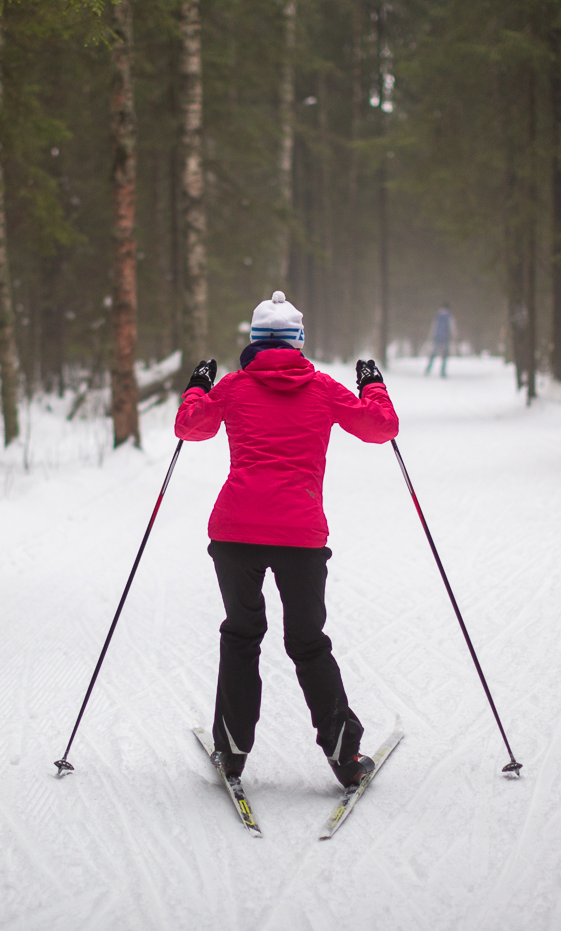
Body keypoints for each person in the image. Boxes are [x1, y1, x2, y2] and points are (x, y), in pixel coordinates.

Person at [176, 291, 399, 790]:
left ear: (255, 341)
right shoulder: (321, 388)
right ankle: (345, 757)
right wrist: (374, 387)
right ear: (298, 342)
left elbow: (189, 429)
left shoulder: (233, 387)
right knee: (307, 643)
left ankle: (231, 753)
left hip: (235, 533)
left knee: (241, 635)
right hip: (300, 536)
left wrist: (196, 387)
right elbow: (382, 428)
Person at [426, 303, 454, 377]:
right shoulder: (449, 316)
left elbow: (433, 327)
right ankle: (443, 372)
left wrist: (431, 336)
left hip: (437, 338)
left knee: (433, 354)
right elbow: (452, 327)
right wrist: (454, 336)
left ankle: (428, 370)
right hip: (445, 338)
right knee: (444, 355)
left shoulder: (437, 316)